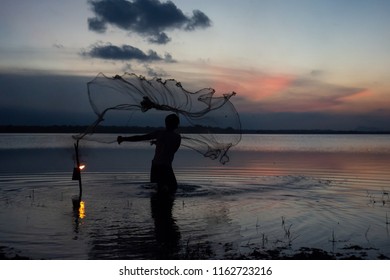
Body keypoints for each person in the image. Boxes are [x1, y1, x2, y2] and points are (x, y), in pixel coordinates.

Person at [117, 114, 181, 195]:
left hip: (155, 166)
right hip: (165, 166)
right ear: (176, 124)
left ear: (166, 123)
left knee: (157, 190)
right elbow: (172, 150)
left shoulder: (159, 133)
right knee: (172, 188)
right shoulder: (177, 137)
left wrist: (123, 139)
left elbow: (140, 137)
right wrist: (159, 143)